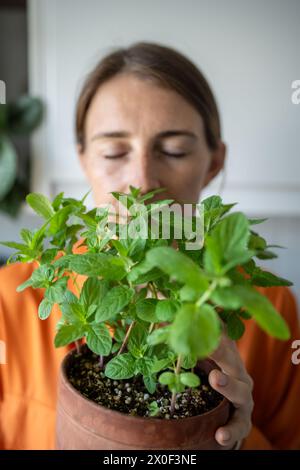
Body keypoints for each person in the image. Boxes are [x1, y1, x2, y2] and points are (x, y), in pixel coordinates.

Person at [0, 42, 299, 450]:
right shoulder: (8, 301)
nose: (142, 182)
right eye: (114, 151)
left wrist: (237, 442)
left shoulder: (269, 303)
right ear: (84, 160)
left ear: (213, 162)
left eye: (174, 150)